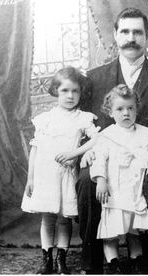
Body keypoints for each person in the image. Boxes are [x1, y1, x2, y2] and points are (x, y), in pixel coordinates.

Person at [76, 7, 148, 274]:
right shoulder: (95, 78)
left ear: (147, 36)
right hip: (105, 154)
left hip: (147, 155)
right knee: (85, 180)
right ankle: (92, 261)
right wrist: (88, 151)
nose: (131, 38)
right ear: (115, 35)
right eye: (124, 31)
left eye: (137, 32)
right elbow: (86, 122)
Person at [21, 67, 100, 274]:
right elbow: (35, 149)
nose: (70, 96)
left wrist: (75, 153)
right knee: (47, 218)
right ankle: (46, 260)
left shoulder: (83, 118)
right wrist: (31, 179)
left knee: (64, 219)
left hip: (66, 174)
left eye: (75, 91)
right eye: (65, 90)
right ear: (56, 90)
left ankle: (60, 260)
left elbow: (98, 139)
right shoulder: (45, 118)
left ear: (81, 93)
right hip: (44, 175)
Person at [89, 85, 148, 273]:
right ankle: (113, 262)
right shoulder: (107, 136)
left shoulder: (145, 134)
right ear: (110, 112)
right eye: (120, 109)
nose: (126, 113)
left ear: (136, 109)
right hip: (114, 189)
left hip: (134, 188)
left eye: (130, 108)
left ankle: (136, 260)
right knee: (111, 231)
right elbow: (99, 158)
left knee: (134, 230)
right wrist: (101, 179)